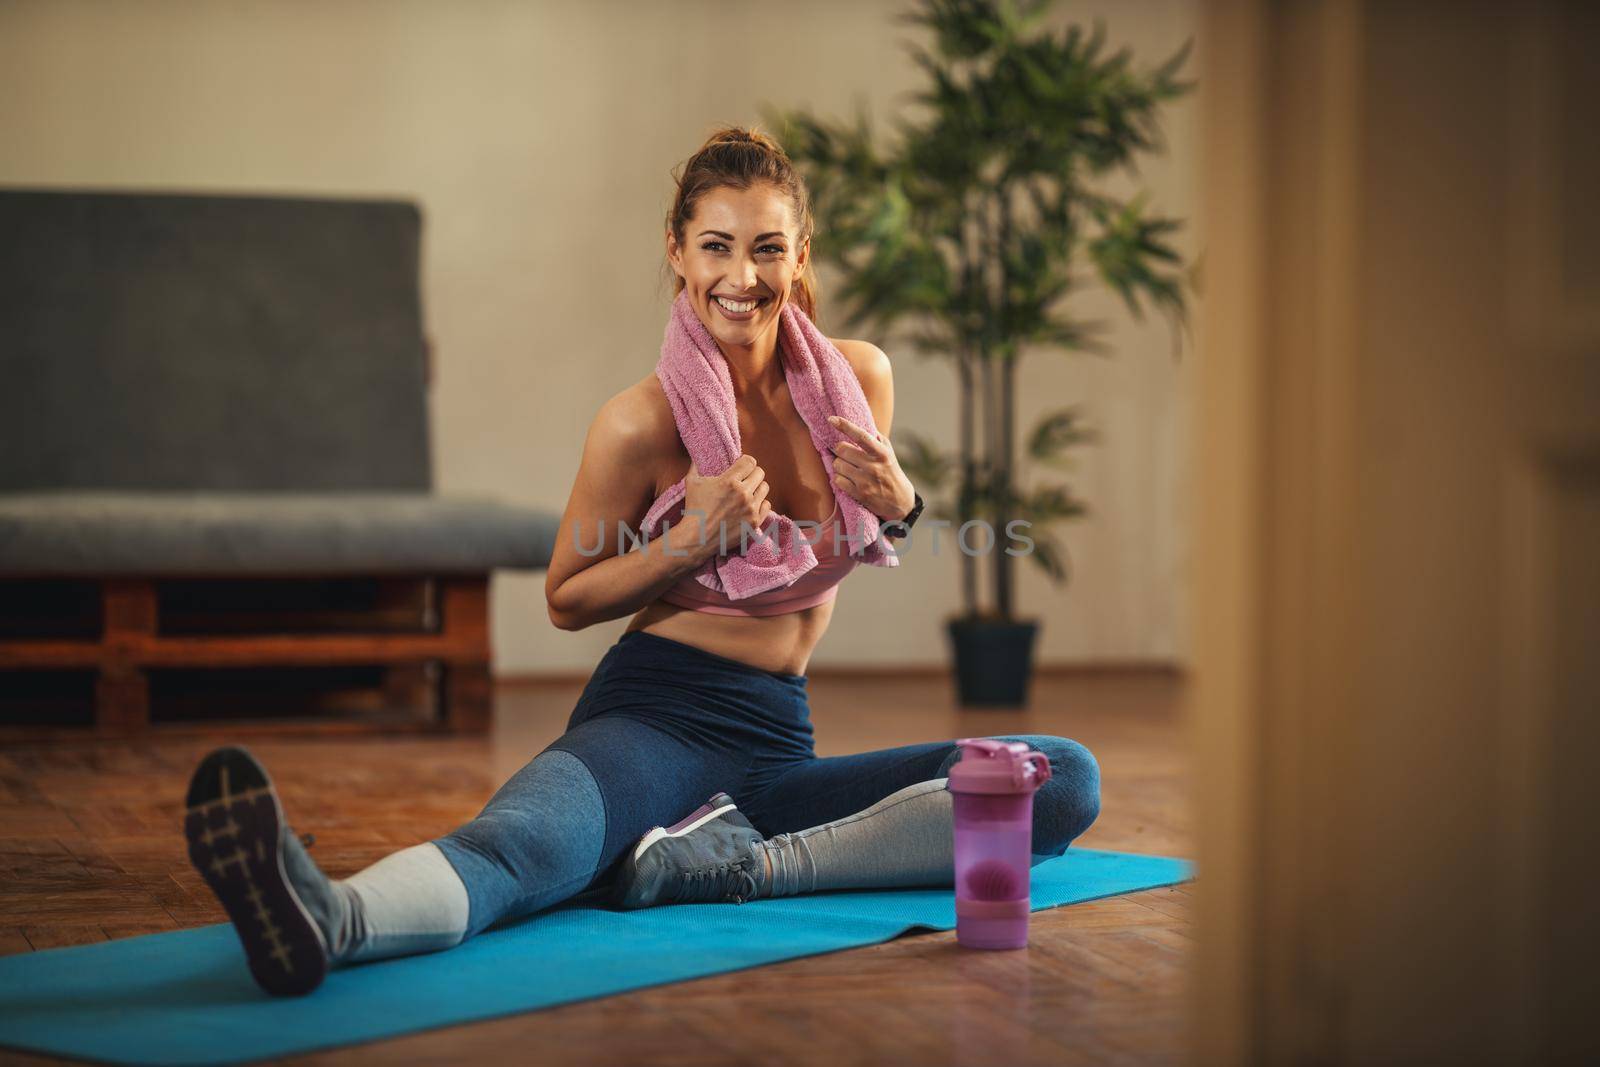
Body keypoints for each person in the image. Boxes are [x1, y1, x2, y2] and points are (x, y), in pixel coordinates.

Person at [183, 125, 1101, 997]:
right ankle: (329, 918)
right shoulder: (640, 422)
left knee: (1055, 778)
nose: (743, 276)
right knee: (523, 847)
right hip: (655, 718)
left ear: (802, 253)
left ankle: (737, 868)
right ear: (677, 251)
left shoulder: (857, 384)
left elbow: (861, 535)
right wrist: (688, 542)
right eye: (716, 247)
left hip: (778, 744)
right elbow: (565, 597)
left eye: (768, 249)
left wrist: (905, 507)